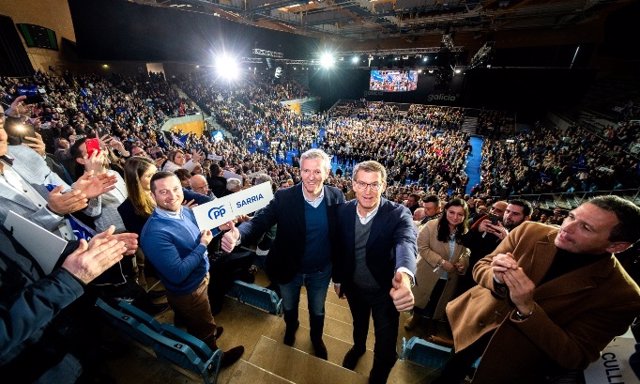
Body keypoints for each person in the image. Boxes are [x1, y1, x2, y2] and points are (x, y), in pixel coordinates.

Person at [434, 195, 640, 384]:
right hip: (475, 326)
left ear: (617, 246)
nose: (566, 227)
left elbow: (575, 355)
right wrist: (496, 278)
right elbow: (482, 266)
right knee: (450, 373)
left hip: (519, 362)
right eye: (571, 216)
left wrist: (527, 308)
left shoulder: (624, 296)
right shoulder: (530, 231)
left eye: (586, 227)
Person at [221, 148, 345, 359]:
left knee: (318, 310)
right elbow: (259, 223)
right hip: (289, 268)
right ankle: (291, 327)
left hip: (321, 271)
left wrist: (340, 276)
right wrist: (237, 236)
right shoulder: (284, 197)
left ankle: (316, 338)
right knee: (289, 306)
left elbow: (341, 238)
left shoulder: (337, 195)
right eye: (306, 171)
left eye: (317, 171)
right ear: (300, 171)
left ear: (327, 172)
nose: (311, 177)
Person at [0, 224, 136, 382]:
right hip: (35, 367)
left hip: (63, 335)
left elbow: (25, 258)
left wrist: (84, 251)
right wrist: (65, 282)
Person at [140, 171, 244, 368]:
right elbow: (177, 273)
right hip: (188, 289)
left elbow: (198, 237)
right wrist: (203, 246)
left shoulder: (185, 210)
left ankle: (204, 328)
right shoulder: (154, 233)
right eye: (163, 192)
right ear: (152, 196)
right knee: (201, 323)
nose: (172, 196)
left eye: (176, 189)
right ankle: (213, 356)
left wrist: (217, 230)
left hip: (200, 278)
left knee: (201, 317)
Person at [332, 160, 417, 384]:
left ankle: (377, 378)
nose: (368, 191)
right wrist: (339, 278)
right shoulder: (343, 211)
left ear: (384, 186)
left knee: (386, 342)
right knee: (358, 323)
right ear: (353, 185)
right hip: (355, 287)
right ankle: (358, 348)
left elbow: (406, 242)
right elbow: (340, 250)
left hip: (385, 291)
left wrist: (405, 278)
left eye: (374, 185)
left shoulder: (398, 213)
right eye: (362, 184)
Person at [404, 198, 470, 333]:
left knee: (438, 300)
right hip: (428, 271)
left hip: (449, 276)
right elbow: (422, 247)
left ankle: (431, 322)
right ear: (445, 211)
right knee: (423, 298)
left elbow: (466, 251)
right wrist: (441, 262)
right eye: (452, 212)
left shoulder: (465, 232)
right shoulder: (432, 225)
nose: (455, 217)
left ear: (465, 216)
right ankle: (415, 319)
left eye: (460, 214)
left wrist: (463, 262)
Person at [456, 199, 532, 295]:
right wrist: (476, 230)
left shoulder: (526, 238)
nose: (509, 216)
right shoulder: (488, 224)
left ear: (526, 218)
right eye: (508, 211)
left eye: (515, 214)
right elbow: (466, 244)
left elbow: (520, 266)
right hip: (468, 276)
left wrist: (508, 242)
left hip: (489, 287)